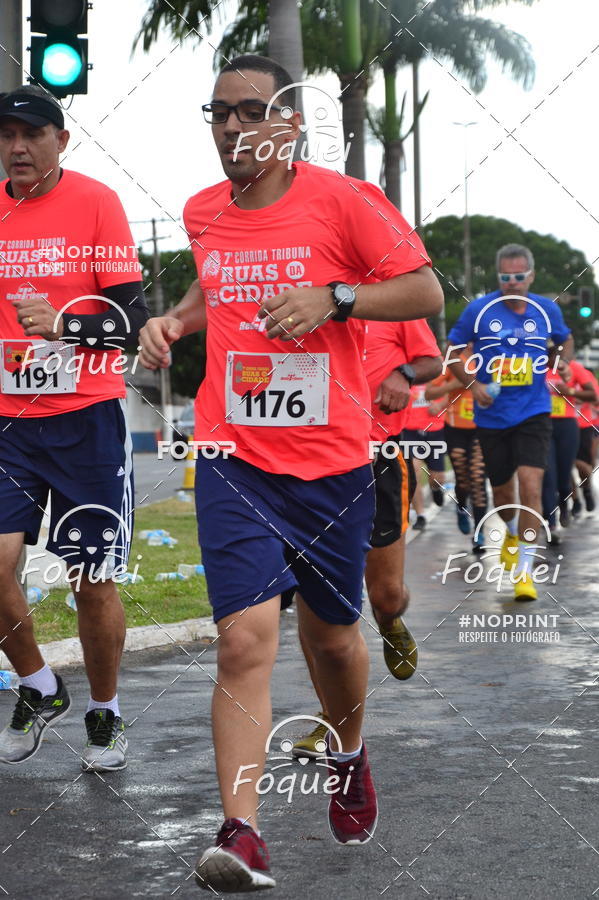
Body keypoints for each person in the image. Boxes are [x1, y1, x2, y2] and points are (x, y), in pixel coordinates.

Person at [138, 55, 443, 893]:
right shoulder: (205, 211)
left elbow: (421, 290)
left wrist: (336, 299)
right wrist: (172, 319)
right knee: (243, 640)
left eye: (249, 112)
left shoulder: (345, 201)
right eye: (218, 113)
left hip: (333, 461)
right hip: (234, 454)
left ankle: (349, 754)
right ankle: (242, 833)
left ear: (290, 124)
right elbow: (215, 290)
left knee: (335, 639)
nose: (232, 128)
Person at [0, 86, 148, 771]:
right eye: (6, 135)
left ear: (62, 140)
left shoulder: (96, 203)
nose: (17, 146)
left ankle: (105, 713)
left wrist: (61, 325)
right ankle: (38, 684)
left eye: (32, 133)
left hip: (85, 419)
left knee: (90, 578)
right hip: (8, 420)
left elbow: (129, 325)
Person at [292, 319, 441, 758]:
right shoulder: (306, 299)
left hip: (378, 460)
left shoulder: (396, 301)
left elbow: (432, 360)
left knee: (387, 596)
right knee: (315, 598)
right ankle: (330, 718)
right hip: (313, 463)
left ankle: (391, 621)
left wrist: (405, 373)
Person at [446, 243, 573, 601]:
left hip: (534, 411)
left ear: (531, 276)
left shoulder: (546, 309)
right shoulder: (478, 311)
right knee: (503, 495)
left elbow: (565, 341)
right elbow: (453, 351)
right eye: (506, 277)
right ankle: (514, 535)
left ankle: (525, 570)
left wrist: (562, 361)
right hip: (492, 416)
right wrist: (475, 385)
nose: (513, 283)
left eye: (519, 276)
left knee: (531, 488)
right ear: (498, 277)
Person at [425, 350, 488, 553]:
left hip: (484, 427)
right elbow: (429, 393)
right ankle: (461, 507)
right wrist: (456, 384)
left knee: (478, 479)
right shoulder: (453, 361)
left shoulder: (492, 358)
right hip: (456, 430)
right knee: (463, 480)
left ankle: (479, 532)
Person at [542, 358, 597, 540]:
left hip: (570, 425)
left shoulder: (573, 367)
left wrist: (570, 391)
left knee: (565, 476)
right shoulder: (534, 365)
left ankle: (569, 501)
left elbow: (594, 396)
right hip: (542, 424)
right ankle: (551, 522)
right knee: (548, 475)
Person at [403, 382, 447, 530]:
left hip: (435, 430)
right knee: (413, 470)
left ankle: (435, 489)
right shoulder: (407, 372)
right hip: (411, 431)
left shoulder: (440, 371)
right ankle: (420, 514)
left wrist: (440, 406)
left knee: (437, 478)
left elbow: (453, 391)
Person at [571, 365, 599, 515]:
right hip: (561, 425)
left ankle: (587, 490)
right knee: (564, 468)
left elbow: (596, 398)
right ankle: (575, 500)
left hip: (585, 425)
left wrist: (574, 394)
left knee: (585, 464)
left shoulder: (585, 375)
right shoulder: (551, 373)